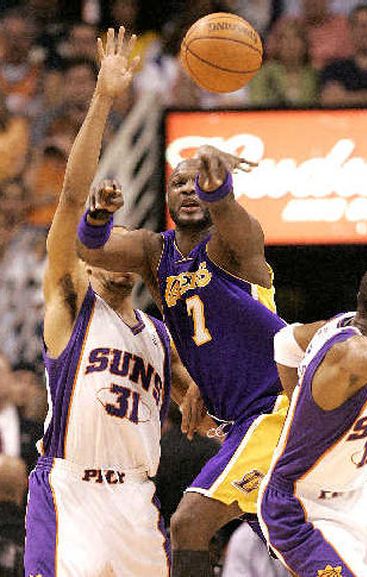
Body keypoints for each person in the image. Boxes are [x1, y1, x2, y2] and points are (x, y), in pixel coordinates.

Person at [77, 26, 288, 577]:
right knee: (289, 535)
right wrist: (97, 213)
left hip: (277, 409)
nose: (188, 189)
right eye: (179, 182)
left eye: (199, 182)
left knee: (188, 524)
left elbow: (238, 225)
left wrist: (222, 192)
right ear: (166, 196)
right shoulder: (155, 251)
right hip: (242, 418)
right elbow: (86, 245)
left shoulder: (233, 246)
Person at [24, 28, 195, 577]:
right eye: (103, 243)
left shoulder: (159, 334)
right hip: (73, 491)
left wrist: (202, 398)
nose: (115, 253)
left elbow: (199, 395)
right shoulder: (71, 305)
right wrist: (103, 98)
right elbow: (73, 198)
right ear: (88, 259)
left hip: (137, 500)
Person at [258, 262, 367, 577]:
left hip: (359, 496)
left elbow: (284, 340)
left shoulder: (340, 324)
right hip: (301, 508)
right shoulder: (348, 353)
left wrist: (299, 409)